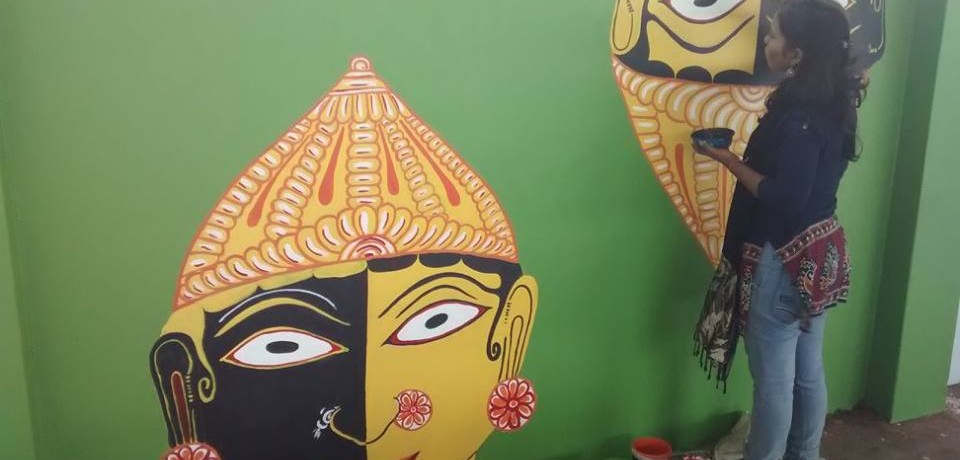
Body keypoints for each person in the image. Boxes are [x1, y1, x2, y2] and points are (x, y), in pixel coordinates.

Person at [692, 1, 863, 459]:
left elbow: (785, 196)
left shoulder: (800, 120)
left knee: (773, 384)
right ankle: (804, 455)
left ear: (797, 53)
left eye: (772, 36)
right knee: (806, 373)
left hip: (784, 260)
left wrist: (729, 161)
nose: (765, 43)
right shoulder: (833, 101)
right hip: (818, 252)